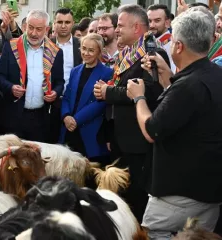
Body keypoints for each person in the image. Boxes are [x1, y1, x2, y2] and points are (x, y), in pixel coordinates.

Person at [127, 9, 222, 238]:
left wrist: (138, 97)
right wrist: (169, 78)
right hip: (209, 188)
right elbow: (194, 111)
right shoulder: (215, 75)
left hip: (177, 194)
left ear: (177, 46)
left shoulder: (188, 86)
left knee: (154, 233)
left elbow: (152, 130)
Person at [93, 4, 169, 222]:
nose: (116, 30)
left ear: (136, 28)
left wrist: (109, 92)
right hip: (119, 137)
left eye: (120, 26)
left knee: (137, 195)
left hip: (138, 139)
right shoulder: (126, 52)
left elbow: (149, 92)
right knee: (121, 193)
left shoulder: (153, 53)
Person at [0, 9, 64, 142]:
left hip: (41, 117)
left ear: (47, 29)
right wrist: (10, 88)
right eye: (30, 28)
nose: (33, 33)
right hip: (13, 115)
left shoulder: (55, 52)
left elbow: (60, 82)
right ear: (25, 26)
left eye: (39, 29)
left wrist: (55, 93)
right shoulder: (11, 47)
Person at [60, 33, 113, 162]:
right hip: (69, 129)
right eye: (84, 48)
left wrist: (76, 119)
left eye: (91, 50)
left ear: (99, 52)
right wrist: (66, 116)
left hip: (89, 131)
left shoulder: (107, 73)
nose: (86, 53)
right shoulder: (75, 70)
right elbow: (67, 96)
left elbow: (100, 103)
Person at [50, 8, 82, 143]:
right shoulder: (45, 44)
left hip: (74, 102)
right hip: (50, 102)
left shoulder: (81, 45)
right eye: (60, 22)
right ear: (54, 24)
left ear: (73, 23)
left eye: (67, 22)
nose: (63, 26)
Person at [147, 4, 176, 72]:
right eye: (149, 21)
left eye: (157, 21)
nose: (152, 25)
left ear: (167, 23)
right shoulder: (147, 41)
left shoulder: (174, 44)